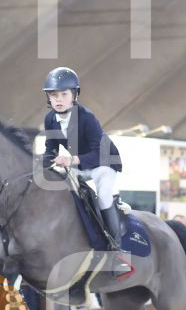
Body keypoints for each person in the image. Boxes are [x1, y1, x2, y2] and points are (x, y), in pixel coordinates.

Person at [40, 66, 126, 255]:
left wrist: (70, 160)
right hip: (80, 164)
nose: (58, 100)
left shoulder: (87, 118)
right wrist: (40, 164)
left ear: (74, 95)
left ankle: (116, 247)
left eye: (64, 94)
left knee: (103, 196)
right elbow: (51, 148)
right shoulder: (50, 119)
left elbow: (99, 152)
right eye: (53, 95)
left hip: (104, 161)